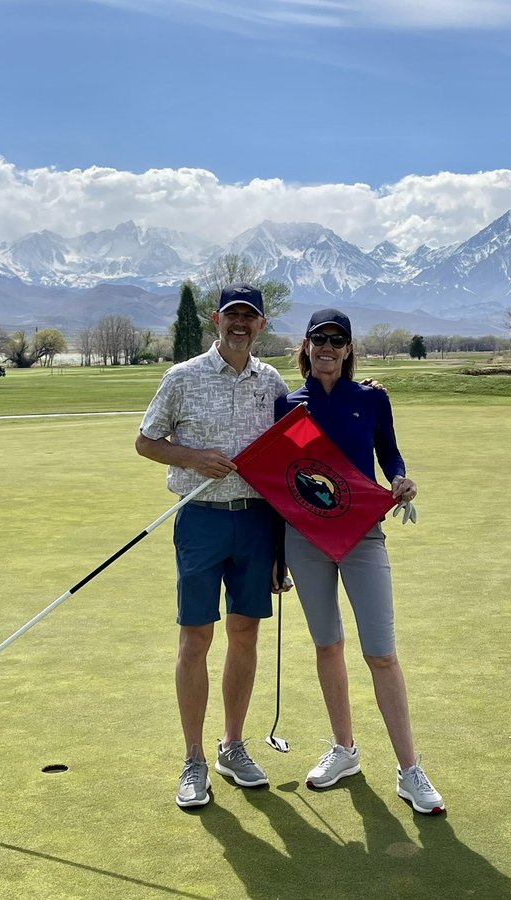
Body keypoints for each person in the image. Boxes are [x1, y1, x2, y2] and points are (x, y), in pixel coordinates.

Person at [273, 307, 444, 815]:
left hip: (362, 534)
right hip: (304, 539)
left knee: (381, 653)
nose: (327, 347)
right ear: (306, 346)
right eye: (318, 339)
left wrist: (400, 478)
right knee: (327, 644)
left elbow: (388, 453)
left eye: (337, 340)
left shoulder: (369, 398)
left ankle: (409, 769)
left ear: (348, 349)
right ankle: (344, 751)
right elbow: (284, 479)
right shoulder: (290, 405)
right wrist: (275, 558)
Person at [136, 283, 290, 809]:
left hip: (255, 523)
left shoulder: (272, 382)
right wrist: (192, 458)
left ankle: (232, 746)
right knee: (195, 638)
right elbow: (145, 440)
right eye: (232, 315)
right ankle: (194, 758)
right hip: (199, 521)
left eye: (250, 317)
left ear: (262, 325)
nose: (240, 324)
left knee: (244, 634)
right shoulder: (182, 377)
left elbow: (298, 443)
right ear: (215, 320)